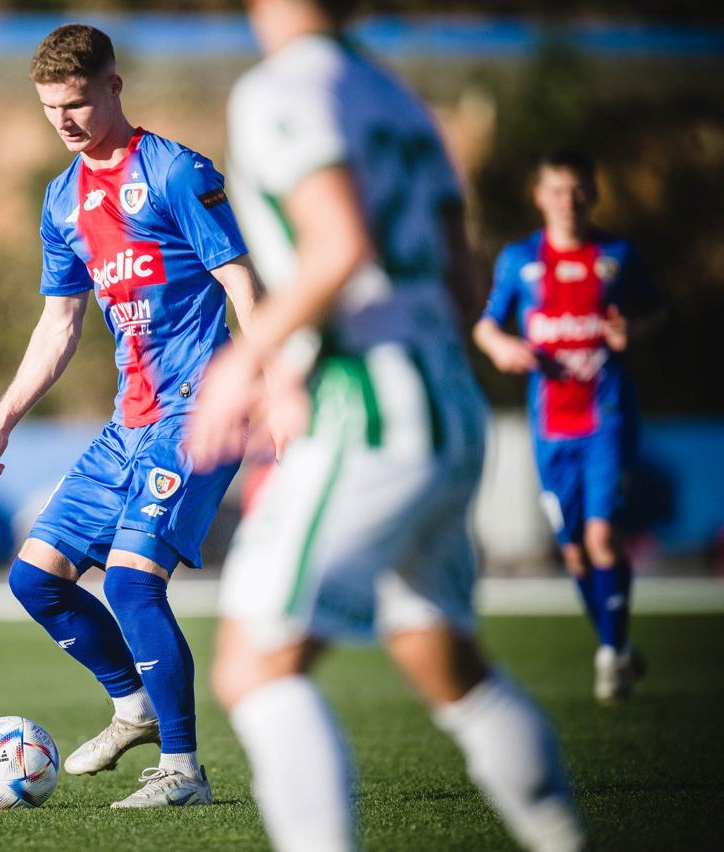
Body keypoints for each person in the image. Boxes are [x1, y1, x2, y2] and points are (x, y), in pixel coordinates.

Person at [187, 1, 586, 849]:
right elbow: (464, 282)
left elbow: (338, 246)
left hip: (371, 410)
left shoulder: (282, 89)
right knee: (444, 661)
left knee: (254, 665)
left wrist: (245, 362)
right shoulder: (395, 96)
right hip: (448, 405)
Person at [0, 23, 273, 809]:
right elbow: (59, 325)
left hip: (199, 412)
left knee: (133, 585)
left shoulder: (175, 173)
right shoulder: (62, 199)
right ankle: (133, 706)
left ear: (113, 86)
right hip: (126, 424)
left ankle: (184, 772)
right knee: (35, 580)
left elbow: (243, 285)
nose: (62, 121)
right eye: (48, 107)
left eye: (74, 103)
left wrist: (277, 390)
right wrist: (1, 421)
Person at [474, 148, 660, 703]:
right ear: (540, 197)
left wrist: (633, 330)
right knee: (575, 552)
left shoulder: (617, 256)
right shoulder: (519, 260)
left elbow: (656, 309)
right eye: (557, 190)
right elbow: (486, 326)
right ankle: (618, 645)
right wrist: (502, 347)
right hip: (551, 425)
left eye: (578, 191)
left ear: (593, 195)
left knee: (602, 537)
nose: (569, 202)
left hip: (607, 417)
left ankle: (610, 656)